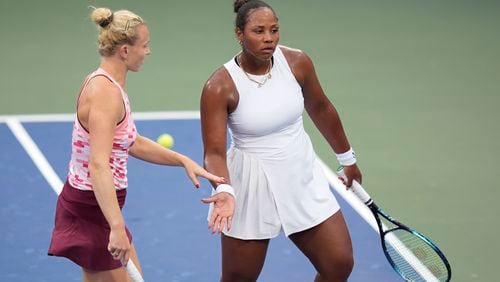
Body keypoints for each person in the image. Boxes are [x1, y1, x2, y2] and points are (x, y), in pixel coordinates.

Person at [47, 7, 232, 282]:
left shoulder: (110, 86)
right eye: (144, 46)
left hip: (98, 205)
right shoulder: (105, 94)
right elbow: (98, 165)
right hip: (93, 207)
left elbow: (130, 141)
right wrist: (116, 226)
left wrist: (182, 160)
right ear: (124, 50)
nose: (148, 52)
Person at [200, 0, 363, 281]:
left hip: (299, 172)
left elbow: (321, 108)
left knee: (338, 264)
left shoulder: (297, 62)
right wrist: (224, 188)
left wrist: (347, 159)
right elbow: (213, 152)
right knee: (239, 279)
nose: (268, 39)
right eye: (258, 31)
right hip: (250, 182)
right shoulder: (219, 86)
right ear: (239, 34)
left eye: (274, 30)